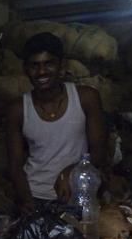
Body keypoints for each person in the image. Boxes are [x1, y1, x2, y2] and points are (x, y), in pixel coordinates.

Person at [7, 32, 108, 215]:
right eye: (34, 66)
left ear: (62, 66)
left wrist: (70, 171)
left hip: (78, 196)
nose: (42, 72)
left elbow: (99, 152)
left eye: (49, 64)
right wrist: (26, 200)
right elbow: (15, 165)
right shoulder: (18, 109)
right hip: (36, 196)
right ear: (25, 69)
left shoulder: (86, 97)